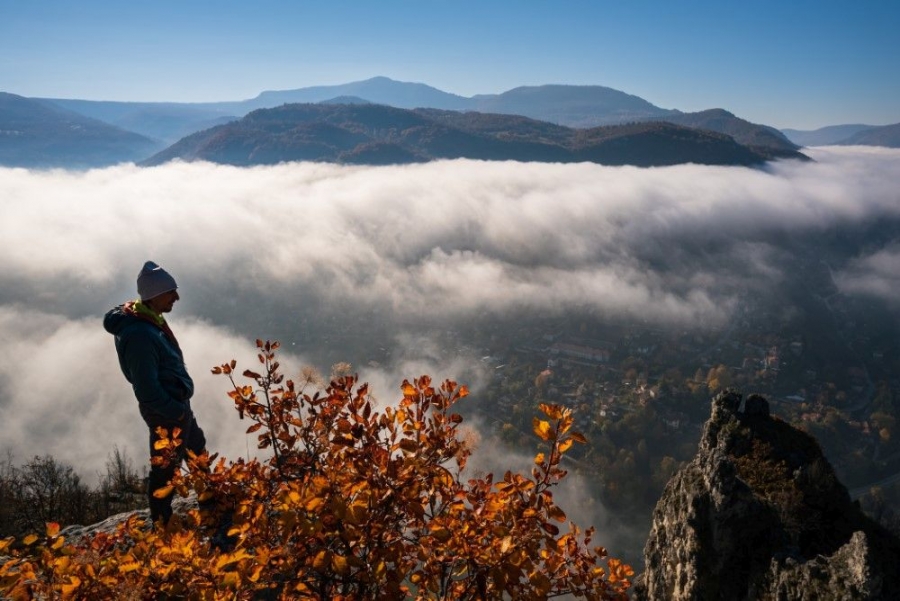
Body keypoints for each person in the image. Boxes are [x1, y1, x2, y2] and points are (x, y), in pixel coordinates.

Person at [104, 261, 207, 524]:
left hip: (175, 404)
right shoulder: (139, 334)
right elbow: (146, 390)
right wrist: (176, 411)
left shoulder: (147, 318)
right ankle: (162, 526)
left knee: (196, 448)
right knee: (165, 469)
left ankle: (211, 501)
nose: (177, 297)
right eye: (171, 292)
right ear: (154, 295)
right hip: (166, 410)